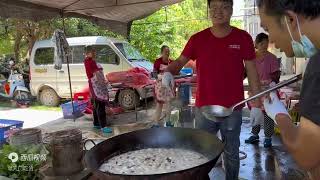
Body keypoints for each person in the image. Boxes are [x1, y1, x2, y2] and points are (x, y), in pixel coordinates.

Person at [163, 0, 261, 179]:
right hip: (204, 109)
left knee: (231, 152)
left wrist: (257, 105)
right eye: (213, 8)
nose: (218, 12)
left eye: (223, 7)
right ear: (209, 10)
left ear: (231, 10)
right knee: (201, 153)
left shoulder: (243, 38)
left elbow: (253, 72)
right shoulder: (198, 39)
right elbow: (179, 62)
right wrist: (168, 72)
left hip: (233, 108)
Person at [257, 0, 320, 178]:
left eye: (268, 29)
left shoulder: (317, 66)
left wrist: (279, 115)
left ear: (289, 19)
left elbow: (306, 155)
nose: (272, 41)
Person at [245, 33, 281, 147]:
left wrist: (271, 83)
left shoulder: (272, 58)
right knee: (255, 113)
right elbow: (245, 73)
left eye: (266, 44)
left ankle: (268, 137)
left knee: (267, 113)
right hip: (255, 90)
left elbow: (276, 75)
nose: (264, 46)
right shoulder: (251, 58)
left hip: (268, 90)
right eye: (261, 44)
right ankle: (254, 135)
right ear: (256, 44)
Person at [84, 46, 112, 134]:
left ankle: (96, 123)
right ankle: (103, 126)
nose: (94, 53)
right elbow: (97, 75)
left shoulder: (87, 61)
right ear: (88, 53)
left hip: (93, 85)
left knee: (96, 106)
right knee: (100, 107)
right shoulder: (91, 62)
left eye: (94, 52)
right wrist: (104, 82)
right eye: (93, 52)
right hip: (97, 86)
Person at [153, 45, 174, 124]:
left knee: (169, 104)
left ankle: (168, 122)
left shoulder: (172, 62)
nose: (167, 53)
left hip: (168, 86)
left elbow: (175, 73)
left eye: (168, 51)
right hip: (160, 86)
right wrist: (159, 76)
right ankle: (156, 123)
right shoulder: (157, 61)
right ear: (161, 53)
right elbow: (154, 74)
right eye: (165, 52)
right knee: (160, 104)